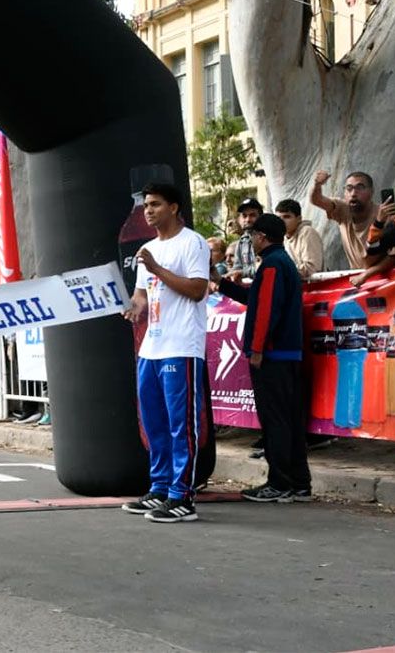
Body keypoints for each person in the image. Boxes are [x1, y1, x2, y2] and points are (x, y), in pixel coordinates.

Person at [121, 182, 210, 523]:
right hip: (152, 347)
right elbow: (142, 296)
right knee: (154, 423)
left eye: (156, 204)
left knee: (180, 425)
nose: (148, 211)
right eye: (146, 205)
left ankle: (182, 496)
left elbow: (198, 289)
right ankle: (159, 488)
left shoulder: (192, 243)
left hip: (181, 346)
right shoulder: (147, 249)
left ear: (173, 207)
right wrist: (131, 307)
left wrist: (157, 268)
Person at [214, 214, 311, 502]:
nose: (250, 241)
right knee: (290, 419)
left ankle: (280, 483)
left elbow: (266, 311)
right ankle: (299, 483)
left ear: (261, 237)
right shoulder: (281, 262)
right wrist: (222, 284)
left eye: (252, 236)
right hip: (286, 353)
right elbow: (256, 300)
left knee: (275, 420)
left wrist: (257, 349)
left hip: (272, 354)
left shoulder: (271, 265)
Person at [310, 170, 377, 269]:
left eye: (360, 188)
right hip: (357, 275)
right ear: (344, 192)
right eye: (349, 188)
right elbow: (317, 200)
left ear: (371, 192)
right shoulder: (342, 209)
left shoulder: (382, 214)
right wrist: (317, 184)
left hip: (385, 274)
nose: (353, 193)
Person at [276, 199, 324, 279]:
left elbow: (312, 268)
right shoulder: (283, 237)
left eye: (286, 217)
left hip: (314, 285)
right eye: (279, 218)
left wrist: (282, 271)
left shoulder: (307, 232)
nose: (281, 221)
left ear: (299, 219)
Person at [229, 198, 263, 280]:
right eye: (244, 216)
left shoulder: (266, 239)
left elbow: (263, 268)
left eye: (252, 215)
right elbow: (237, 267)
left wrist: (242, 273)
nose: (248, 220)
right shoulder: (242, 241)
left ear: (261, 217)